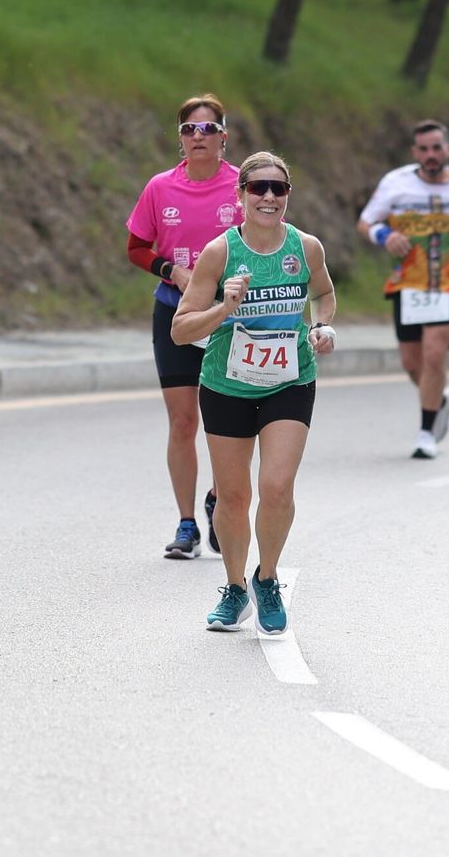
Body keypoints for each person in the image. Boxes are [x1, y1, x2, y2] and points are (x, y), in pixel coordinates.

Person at [172, 152, 336, 634]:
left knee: (277, 487)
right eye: (258, 188)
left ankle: (266, 578)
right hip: (227, 384)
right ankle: (235, 588)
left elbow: (323, 293)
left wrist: (322, 326)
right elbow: (182, 330)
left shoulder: (306, 248)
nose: (268, 197)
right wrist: (225, 307)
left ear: (288, 196)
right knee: (235, 495)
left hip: (290, 380)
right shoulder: (220, 253)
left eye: (278, 189)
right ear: (240, 194)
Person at [125, 95, 241, 560]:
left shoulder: (243, 186)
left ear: (223, 138)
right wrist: (169, 269)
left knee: (222, 420)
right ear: (179, 139)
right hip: (175, 314)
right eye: (190, 130)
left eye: (208, 129)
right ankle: (187, 522)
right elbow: (135, 246)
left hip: (229, 318)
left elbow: (268, 237)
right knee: (182, 421)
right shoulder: (159, 187)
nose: (198, 137)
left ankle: (218, 497)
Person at [358, 120, 449, 458]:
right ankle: (439, 399)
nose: (431, 155)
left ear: (448, 150)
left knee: (434, 352)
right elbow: (367, 221)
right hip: (408, 282)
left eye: (437, 148)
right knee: (412, 362)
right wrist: (385, 236)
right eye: (424, 149)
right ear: (415, 153)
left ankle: (426, 431)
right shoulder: (396, 183)